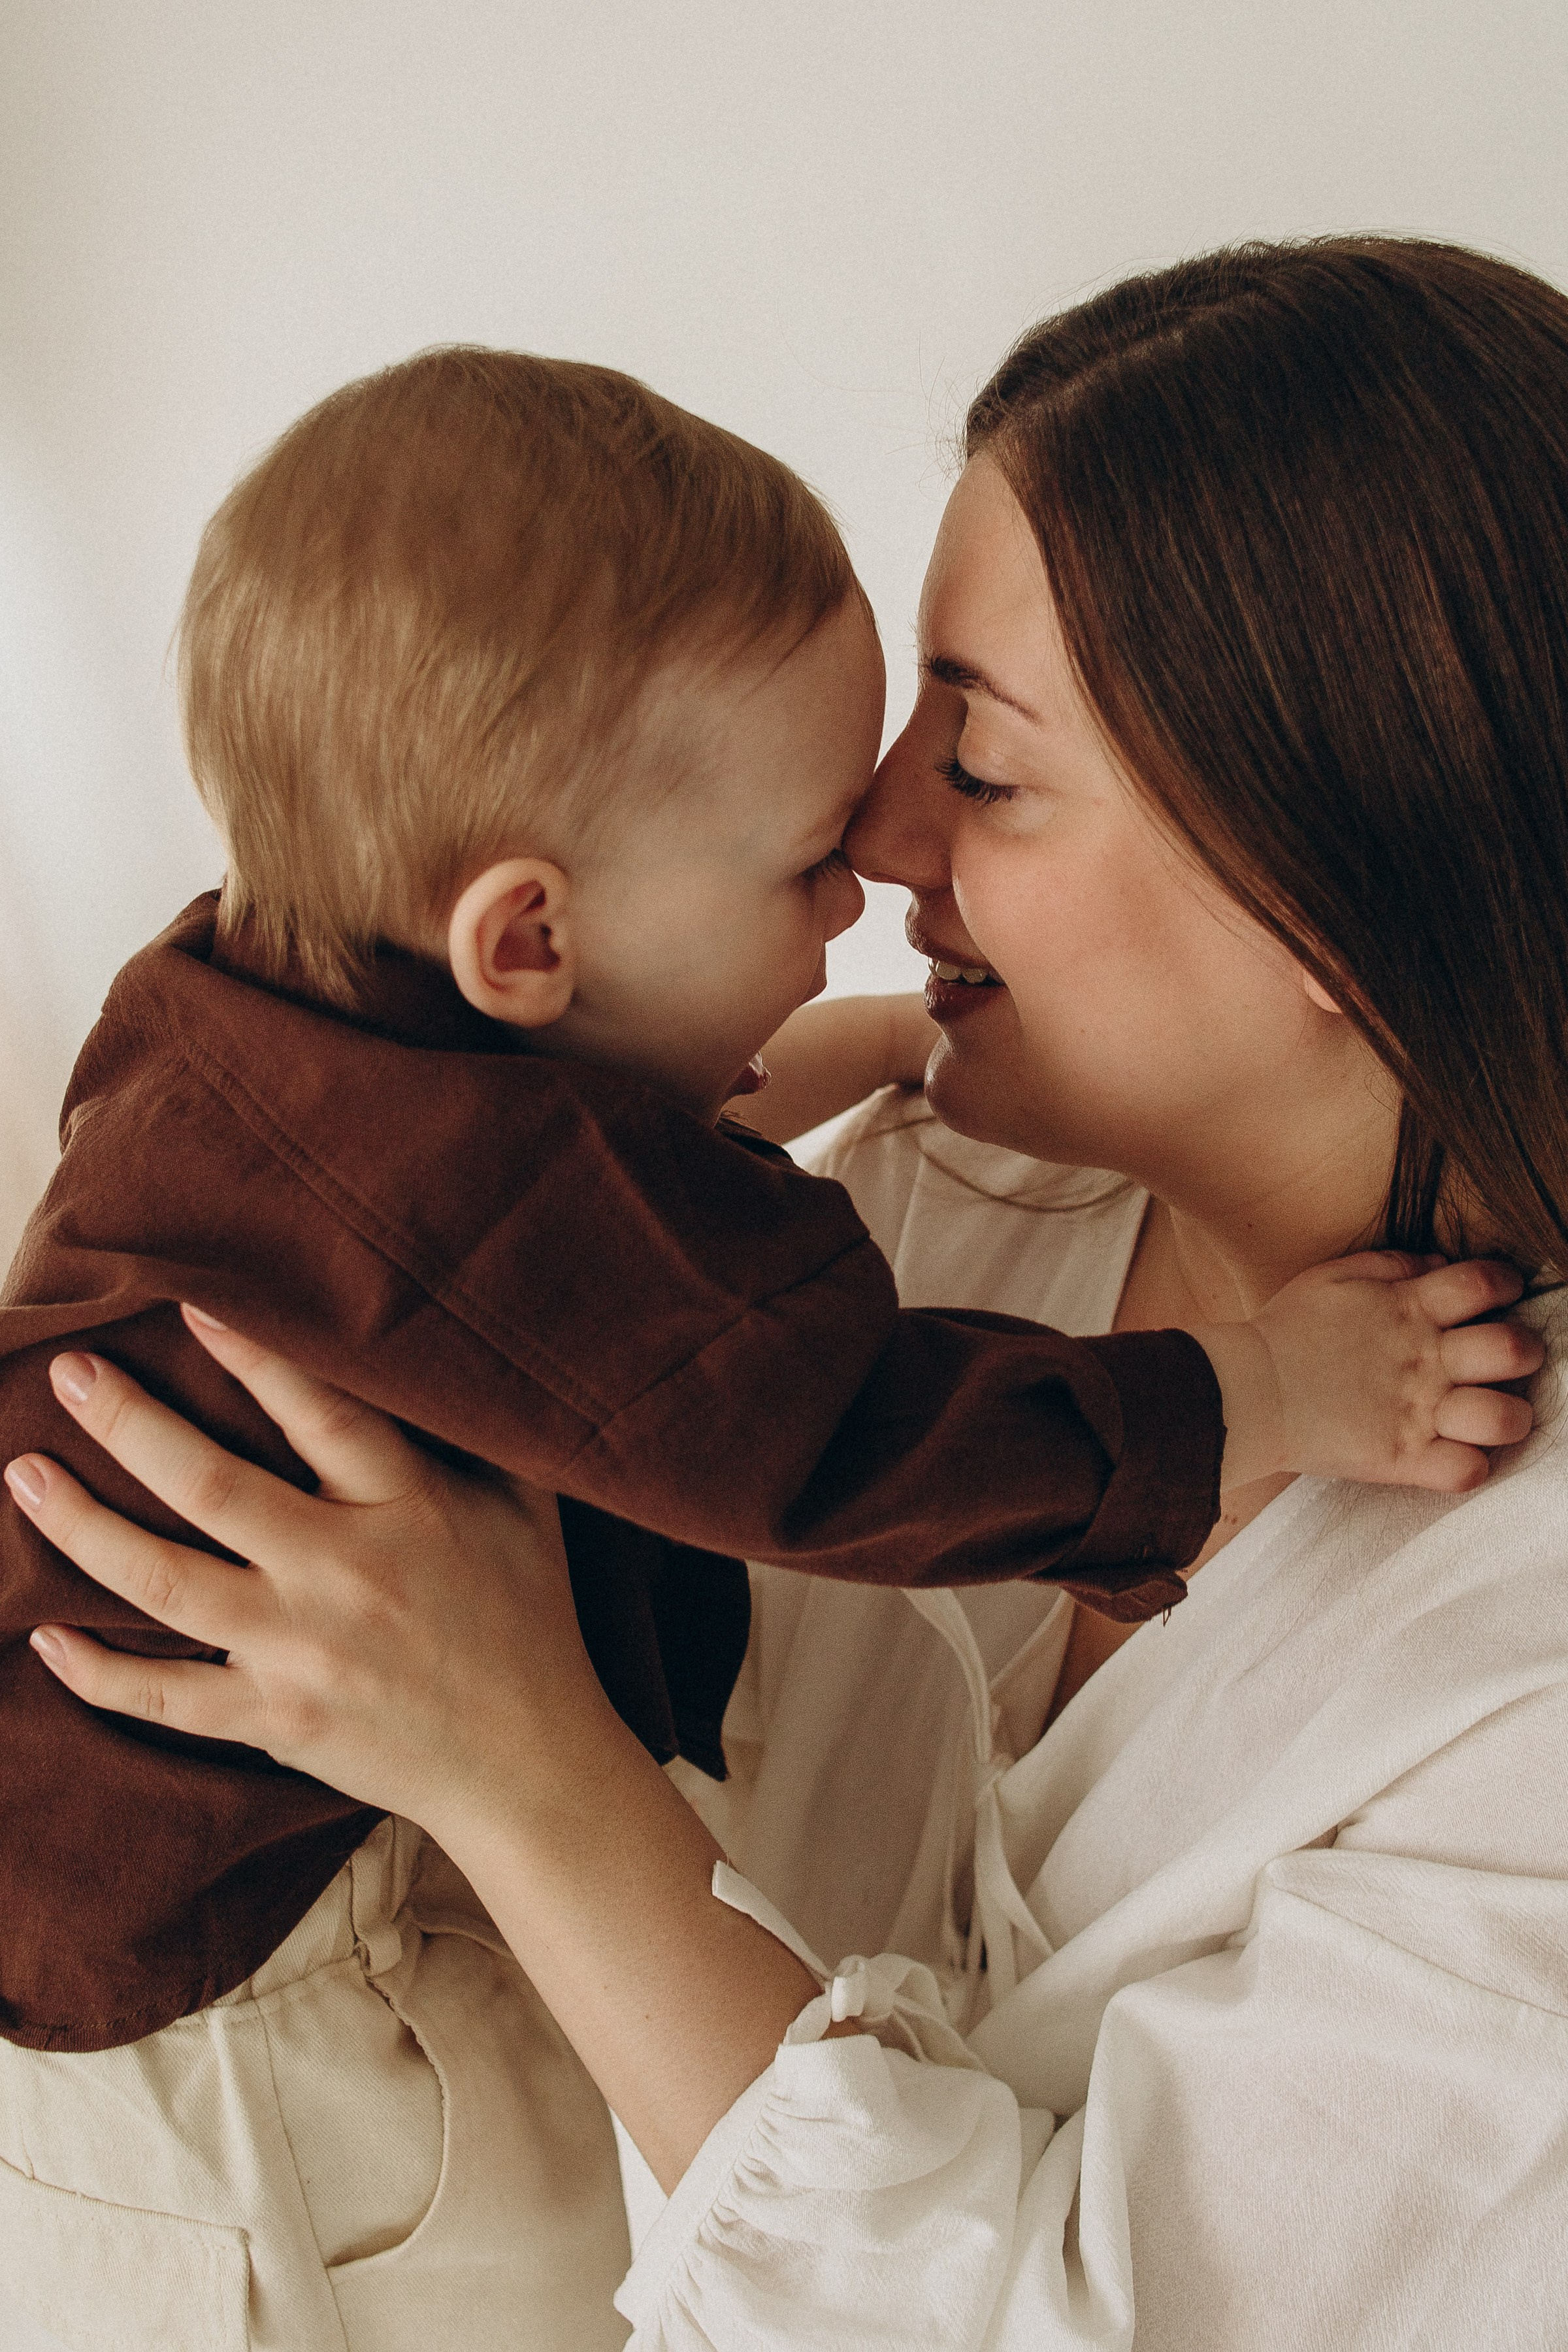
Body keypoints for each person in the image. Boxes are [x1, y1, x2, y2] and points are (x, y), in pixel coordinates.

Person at [16, 231, 1568, 2345]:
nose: (884, 832)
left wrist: (522, 1766)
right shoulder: (915, 1208)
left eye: (982, 765)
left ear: (1326, 888)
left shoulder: (1514, 1666)